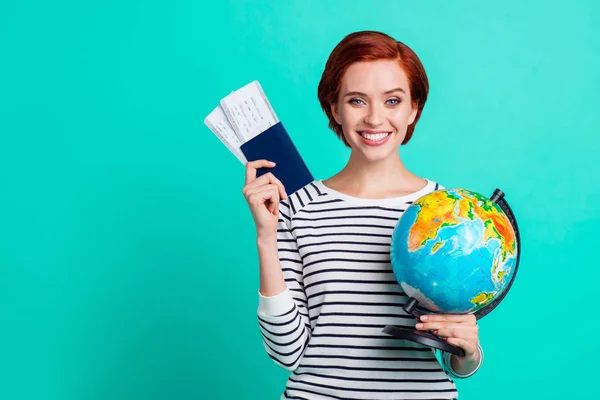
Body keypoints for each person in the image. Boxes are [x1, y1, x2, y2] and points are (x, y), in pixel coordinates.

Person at [242, 30, 483, 400]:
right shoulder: (296, 206)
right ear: (334, 108)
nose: (374, 118)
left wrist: (469, 352)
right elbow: (286, 352)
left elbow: (457, 360)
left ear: (413, 108)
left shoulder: (446, 211)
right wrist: (265, 238)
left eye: (392, 100)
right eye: (357, 100)